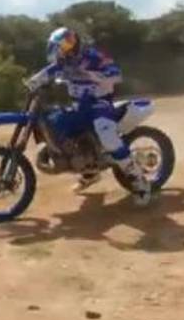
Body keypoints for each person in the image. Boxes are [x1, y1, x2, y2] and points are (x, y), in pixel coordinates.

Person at [24, 27, 152, 205]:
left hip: (99, 103)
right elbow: (49, 71)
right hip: (77, 105)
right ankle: (89, 170)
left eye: (66, 44)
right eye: (60, 46)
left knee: (106, 133)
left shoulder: (94, 56)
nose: (64, 49)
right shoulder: (64, 62)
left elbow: (116, 75)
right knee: (56, 128)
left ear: (75, 42)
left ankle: (139, 181)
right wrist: (32, 82)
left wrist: (91, 75)